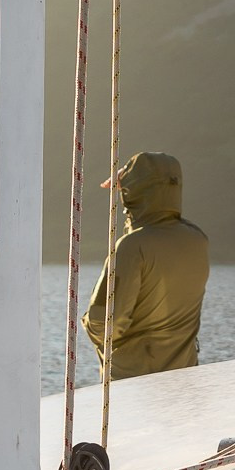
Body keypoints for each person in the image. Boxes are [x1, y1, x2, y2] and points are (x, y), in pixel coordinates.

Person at [85, 151, 209, 381]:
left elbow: (104, 323)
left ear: (133, 191)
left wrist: (127, 198)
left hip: (136, 382)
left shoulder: (131, 247)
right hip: (185, 374)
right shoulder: (197, 239)